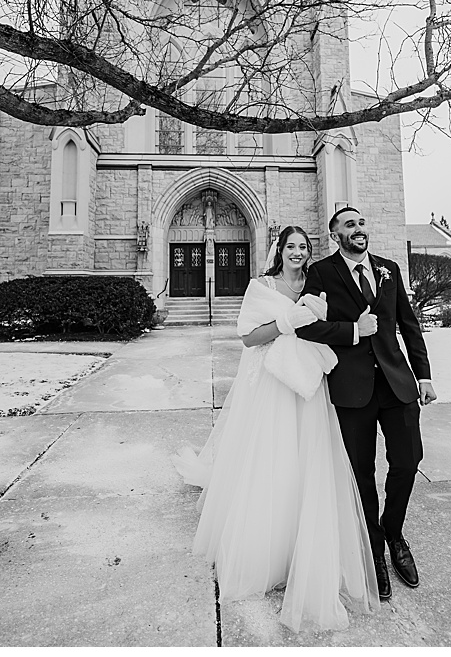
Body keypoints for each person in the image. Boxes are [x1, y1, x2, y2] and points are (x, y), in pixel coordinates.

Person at [174, 225, 378, 631]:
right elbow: (249, 338)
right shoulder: (261, 286)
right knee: (273, 461)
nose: (298, 253)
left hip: (308, 386)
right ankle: (267, 552)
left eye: (304, 247)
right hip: (271, 385)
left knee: (307, 464)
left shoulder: (318, 283)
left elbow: (332, 326)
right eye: (291, 247)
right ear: (279, 250)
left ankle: (306, 547)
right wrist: (287, 320)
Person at [294, 206, 434, 600]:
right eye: (349, 224)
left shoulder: (389, 268)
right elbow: (307, 325)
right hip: (352, 389)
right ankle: (373, 547)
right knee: (361, 471)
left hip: (397, 383)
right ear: (334, 233)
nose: (358, 229)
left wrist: (423, 374)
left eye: (361, 223)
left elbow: (409, 324)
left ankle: (394, 530)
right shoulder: (321, 273)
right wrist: (353, 331)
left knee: (408, 460)